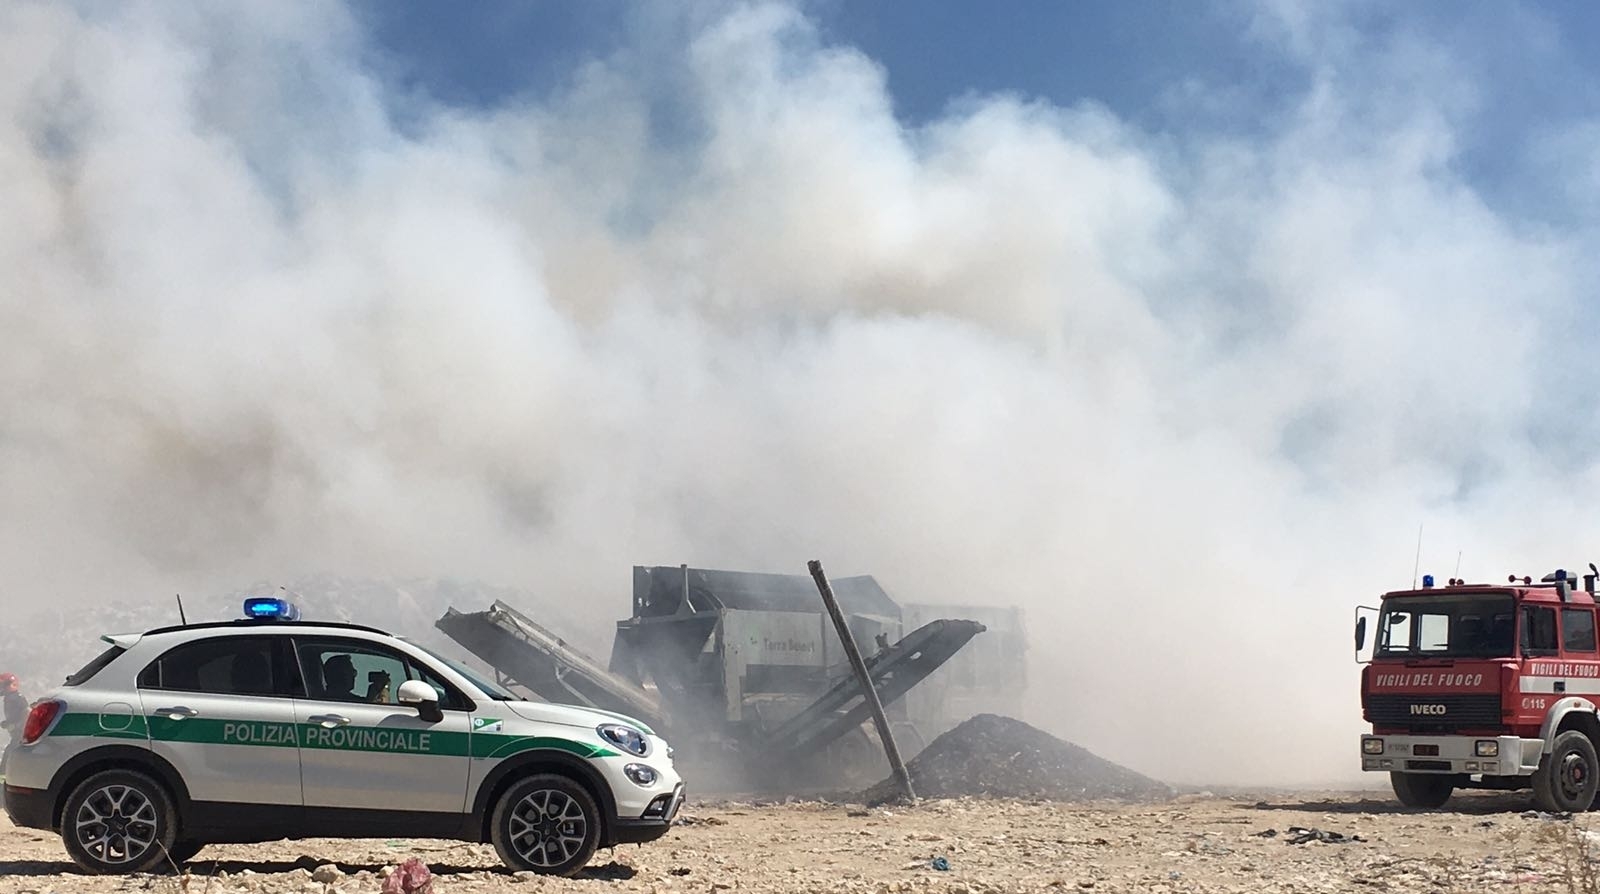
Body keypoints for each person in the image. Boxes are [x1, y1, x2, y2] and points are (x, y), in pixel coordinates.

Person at [2, 672, 27, 775]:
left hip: (21, 734)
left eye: (3, 685)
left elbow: (27, 713)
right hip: (17, 734)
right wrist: (7, 723)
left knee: (10, 755)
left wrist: (17, 726)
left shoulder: (17, 698)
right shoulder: (9, 699)